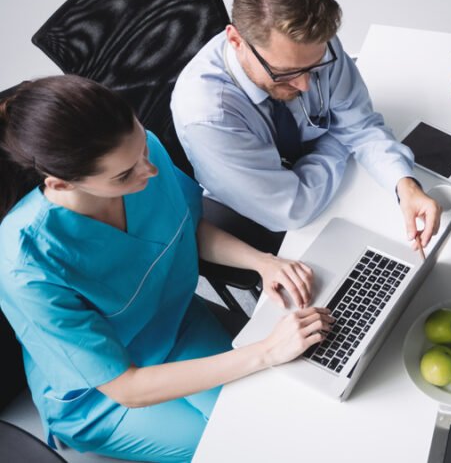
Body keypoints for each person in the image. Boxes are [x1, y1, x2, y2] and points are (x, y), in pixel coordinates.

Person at [0, 76, 333, 461]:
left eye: (142, 146)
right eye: (124, 175)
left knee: (283, 414)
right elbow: (126, 387)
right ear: (60, 185)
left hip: (176, 324)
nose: (149, 169)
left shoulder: (141, 154)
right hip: (104, 396)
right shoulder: (26, 264)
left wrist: (262, 263)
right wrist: (266, 351)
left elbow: (183, 225)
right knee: (243, 446)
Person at [171, 0, 440, 248]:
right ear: (236, 41)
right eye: (285, 72)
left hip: (326, 185)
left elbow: (361, 126)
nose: (305, 85)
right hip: (263, 215)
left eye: (314, 68)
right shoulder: (208, 117)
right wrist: (338, 137)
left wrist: (404, 184)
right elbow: (292, 209)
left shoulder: (312, 45)